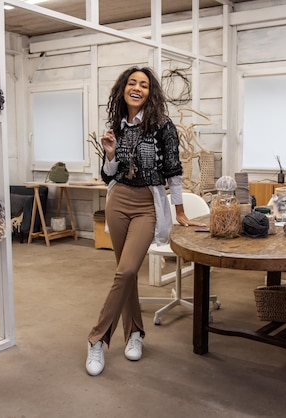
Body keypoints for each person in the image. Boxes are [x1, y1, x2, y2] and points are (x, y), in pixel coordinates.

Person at [86, 66, 204, 376]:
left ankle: (97, 338)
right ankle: (134, 333)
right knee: (127, 276)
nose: (137, 87)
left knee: (125, 272)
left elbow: (174, 173)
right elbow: (107, 175)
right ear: (123, 88)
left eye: (144, 84)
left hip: (146, 206)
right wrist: (110, 154)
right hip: (118, 202)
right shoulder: (117, 125)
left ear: (151, 92)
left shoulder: (162, 126)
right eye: (132, 82)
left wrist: (179, 212)